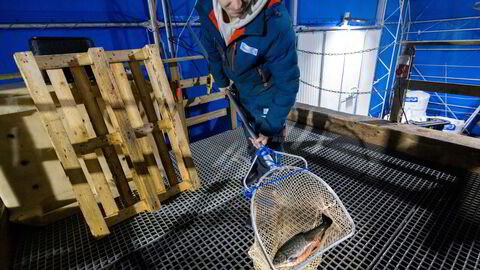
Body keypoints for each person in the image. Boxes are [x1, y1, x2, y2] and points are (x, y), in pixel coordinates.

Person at [195, 0, 300, 184]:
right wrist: (221, 80)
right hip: (242, 87)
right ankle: (258, 169)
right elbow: (213, 47)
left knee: (267, 141)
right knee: (251, 136)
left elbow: (287, 84)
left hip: (267, 90)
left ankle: (273, 184)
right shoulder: (207, 9)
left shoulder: (275, 22)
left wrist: (270, 128)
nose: (237, 5)